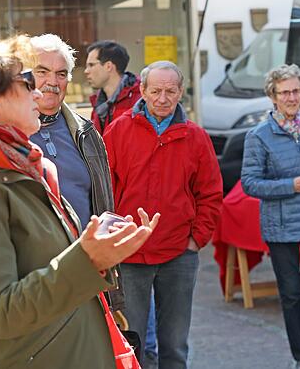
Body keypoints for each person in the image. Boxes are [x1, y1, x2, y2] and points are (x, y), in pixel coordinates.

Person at [0, 33, 159, 369]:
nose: (39, 91)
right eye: (28, 81)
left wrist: (97, 246)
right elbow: (0, 314)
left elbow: (47, 272)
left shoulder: (20, 168)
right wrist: (89, 258)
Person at [103, 60, 222, 368]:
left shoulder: (196, 137)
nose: (163, 98)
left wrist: (196, 240)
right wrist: (114, 241)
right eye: (155, 91)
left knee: (175, 346)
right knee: (132, 343)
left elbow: (210, 193)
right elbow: (104, 189)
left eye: (170, 91)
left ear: (181, 92)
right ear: (142, 91)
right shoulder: (118, 131)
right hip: (130, 255)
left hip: (179, 254)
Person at [240, 64, 300, 369]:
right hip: (281, 225)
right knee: (292, 293)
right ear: (273, 96)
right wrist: (289, 186)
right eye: (284, 92)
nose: (292, 97)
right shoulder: (258, 136)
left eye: (296, 91)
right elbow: (249, 183)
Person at [27, 33, 126, 316]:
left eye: (61, 74)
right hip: (34, 280)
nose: (52, 82)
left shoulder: (86, 132)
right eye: (42, 72)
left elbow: (102, 204)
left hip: (87, 271)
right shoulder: (7, 134)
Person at [84, 40, 140, 133]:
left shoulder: (139, 101)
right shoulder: (99, 102)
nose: (86, 71)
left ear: (108, 66)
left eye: (91, 65)